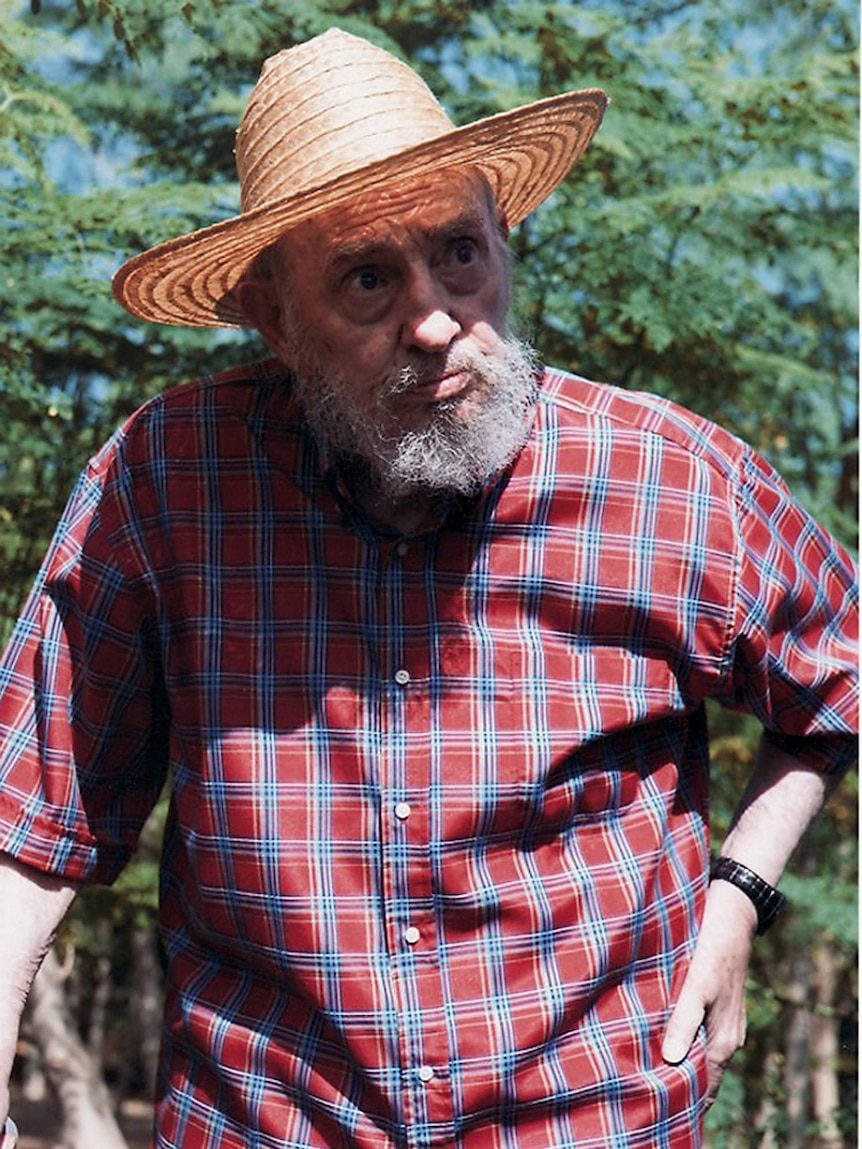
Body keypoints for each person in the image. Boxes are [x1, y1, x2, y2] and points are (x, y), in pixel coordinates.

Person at [0, 27, 856, 1149]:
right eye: (367, 277)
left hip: (590, 1112)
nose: (437, 317)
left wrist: (740, 890)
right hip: (272, 1120)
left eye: (459, 251)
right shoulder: (168, 483)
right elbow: (36, 809)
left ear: (506, 234)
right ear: (272, 314)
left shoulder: (673, 481)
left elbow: (837, 678)